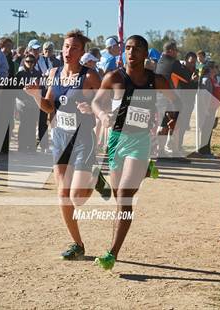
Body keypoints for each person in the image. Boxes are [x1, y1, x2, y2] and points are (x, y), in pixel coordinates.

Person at [25, 29, 110, 261]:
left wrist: (91, 105)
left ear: (82, 52)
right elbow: (50, 106)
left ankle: (94, 177)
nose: (67, 51)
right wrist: (35, 96)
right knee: (63, 194)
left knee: (78, 198)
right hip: (60, 138)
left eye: (73, 47)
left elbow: (106, 102)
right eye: (65, 46)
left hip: (83, 139)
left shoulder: (90, 76)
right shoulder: (54, 74)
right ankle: (77, 244)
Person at [91, 35, 170, 270]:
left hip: (140, 140)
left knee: (124, 195)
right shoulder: (114, 77)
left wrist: (168, 121)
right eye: (127, 48)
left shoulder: (155, 80)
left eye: (136, 49)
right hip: (116, 139)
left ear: (146, 54)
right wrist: (103, 115)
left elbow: (176, 101)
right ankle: (145, 170)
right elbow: (97, 102)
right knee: (118, 197)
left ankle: (112, 253)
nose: (131, 52)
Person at [155, 40, 191, 157]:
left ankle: (161, 151)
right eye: (175, 51)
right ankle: (173, 151)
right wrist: (186, 68)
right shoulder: (173, 63)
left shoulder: (159, 62)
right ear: (170, 51)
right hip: (170, 99)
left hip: (159, 97)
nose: (177, 53)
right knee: (175, 124)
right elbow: (186, 77)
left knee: (162, 124)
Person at [15, 54, 42, 153]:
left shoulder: (38, 74)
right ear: (24, 62)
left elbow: (41, 88)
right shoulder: (20, 74)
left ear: (35, 63)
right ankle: (21, 147)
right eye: (27, 61)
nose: (29, 63)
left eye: (32, 61)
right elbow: (15, 90)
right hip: (22, 103)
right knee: (23, 124)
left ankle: (31, 147)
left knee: (32, 125)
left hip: (34, 102)